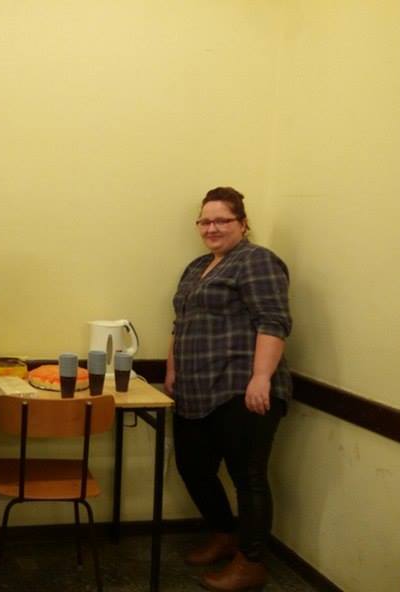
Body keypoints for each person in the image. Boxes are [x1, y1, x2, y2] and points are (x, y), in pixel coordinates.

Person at [164, 187, 292, 591]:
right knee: (192, 466)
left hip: (242, 387)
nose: (212, 228)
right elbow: (180, 324)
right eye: (205, 221)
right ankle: (224, 534)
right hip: (196, 390)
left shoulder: (257, 261)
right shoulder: (196, 267)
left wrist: (261, 377)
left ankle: (251, 562)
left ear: (243, 223)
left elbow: (273, 321)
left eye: (222, 220)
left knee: (247, 475)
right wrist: (172, 370)